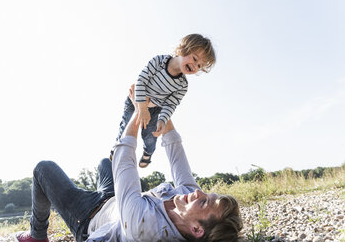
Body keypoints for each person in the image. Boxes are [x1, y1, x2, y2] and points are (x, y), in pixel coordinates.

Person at [15, 89, 242, 242]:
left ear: (196, 229)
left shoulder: (144, 227)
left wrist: (139, 110)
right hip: (111, 201)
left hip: (87, 217)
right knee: (105, 164)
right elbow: (175, 151)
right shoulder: (187, 197)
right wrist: (163, 108)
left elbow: (125, 158)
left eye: (203, 202)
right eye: (207, 194)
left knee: (43, 169)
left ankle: (37, 235)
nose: (198, 192)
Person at [111, 33, 216, 168]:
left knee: (150, 135)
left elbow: (171, 105)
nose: (195, 66)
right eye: (194, 59)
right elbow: (141, 81)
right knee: (126, 124)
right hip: (138, 99)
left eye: (199, 66)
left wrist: (162, 120)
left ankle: (148, 152)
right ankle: (118, 147)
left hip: (155, 109)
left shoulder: (182, 85)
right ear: (183, 49)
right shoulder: (158, 61)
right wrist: (142, 108)